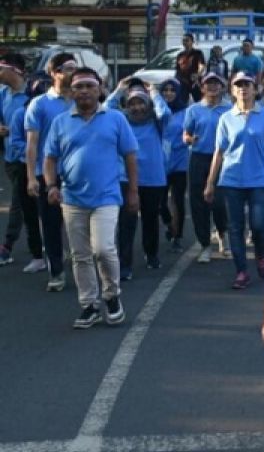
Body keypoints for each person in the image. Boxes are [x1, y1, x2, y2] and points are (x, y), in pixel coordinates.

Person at [43, 67, 139, 328]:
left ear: (99, 90)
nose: (84, 91)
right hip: (72, 198)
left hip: (107, 196)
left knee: (104, 249)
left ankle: (112, 296)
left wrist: (133, 191)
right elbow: (50, 158)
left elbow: (130, 156)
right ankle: (89, 304)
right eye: (78, 87)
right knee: (80, 254)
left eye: (89, 86)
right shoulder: (61, 122)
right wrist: (51, 185)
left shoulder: (116, 119)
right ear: (71, 92)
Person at [204, 70, 264, 289]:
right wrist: (211, 182)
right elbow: (219, 152)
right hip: (231, 179)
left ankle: (260, 255)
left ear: (255, 89)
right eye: (238, 85)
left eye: (247, 85)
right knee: (235, 227)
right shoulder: (226, 118)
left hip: (258, 179)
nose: (243, 89)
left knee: (259, 225)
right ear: (232, 90)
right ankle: (241, 271)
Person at [106, 79, 171, 278]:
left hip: (153, 177)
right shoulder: (121, 120)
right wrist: (118, 90)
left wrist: (153, 92)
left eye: (141, 102)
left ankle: (151, 254)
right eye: (132, 103)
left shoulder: (156, 121)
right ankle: (125, 265)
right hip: (126, 177)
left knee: (151, 219)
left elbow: (164, 112)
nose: (137, 107)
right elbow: (105, 109)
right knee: (127, 222)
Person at [23, 51, 77, 291]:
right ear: (53, 73)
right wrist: (31, 177)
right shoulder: (40, 104)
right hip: (49, 175)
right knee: (52, 224)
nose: (73, 72)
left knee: (80, 226)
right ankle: (56, 272)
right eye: (67, 68)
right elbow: (33, 144)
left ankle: (84, 269)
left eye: (75, 67)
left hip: (78, 174)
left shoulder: (83, 100)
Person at [182, 72, 231, 263]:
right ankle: (204, 244)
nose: (212, 87)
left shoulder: (229, 109)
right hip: (199, 158)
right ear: (202, 88)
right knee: (198, 203)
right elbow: (186, 133)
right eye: (208, 84)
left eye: (216, 84)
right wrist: (189, 139)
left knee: (219, 201)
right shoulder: (194, 110)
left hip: (222, 159)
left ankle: (222, 231)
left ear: (222, 87)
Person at [0, 54, 42, 270]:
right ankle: (42, 244)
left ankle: (6, 246)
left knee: (18, 202)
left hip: (30, 159)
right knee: (28, 206)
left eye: (1, 68)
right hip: (10, 156)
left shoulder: (32, 93)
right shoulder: (2, 94)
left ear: (14, 71)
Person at [158, 78, 191, 253]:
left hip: (179, 160)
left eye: (172, 90)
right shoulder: (156, 110)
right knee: (160, 202)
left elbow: (191, 132)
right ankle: (169, 224)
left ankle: (178, 236)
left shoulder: (186, 112)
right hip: (160, 162)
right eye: (165, 90)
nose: (169, 93)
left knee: (177, 200)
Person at [174, 33, 207, 101]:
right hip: (183, 82)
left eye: (187, 40)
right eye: (183, 40)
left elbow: (202, 66)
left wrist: (197, 75)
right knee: (182, 102)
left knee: (199, 102)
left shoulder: (198, 53)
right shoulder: (180, 55)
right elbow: (177, 70)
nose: (185, 42)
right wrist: (176, 81)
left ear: (192, 42)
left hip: (195, 82)